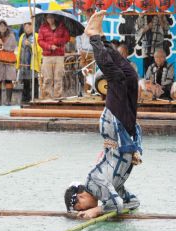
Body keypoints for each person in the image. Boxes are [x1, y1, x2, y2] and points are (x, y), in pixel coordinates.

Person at [64, 11, 142, 219]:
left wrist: (95, 211)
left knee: (116, 78)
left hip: (114, 128)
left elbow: (115, 204)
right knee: (131, 77)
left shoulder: (94, 182)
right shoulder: (110, 188)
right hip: (124, 135)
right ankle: (101, 38)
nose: (88, 207)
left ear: (80, 197)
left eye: (82, 207)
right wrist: (101, 207)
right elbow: (132, 203)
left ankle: (93, 37)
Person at [38, 14, 69, 99]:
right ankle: (47, 97)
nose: (50, 19)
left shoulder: (62, 27)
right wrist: (49, 46)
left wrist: (56, 41)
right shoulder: (43, 28)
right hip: (47, 56)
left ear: (55, 17)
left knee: (58, 77)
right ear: (46, 18)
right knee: (47, 77)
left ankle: (57, 96)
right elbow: (40, 41)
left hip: (59, 55)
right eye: (48, 17)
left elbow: (66, 38)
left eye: (51, 17)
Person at [135, 6, 170, 75]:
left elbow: (166, 30)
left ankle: (158, 85)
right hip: (146, 50)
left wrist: (160, 18)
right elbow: (137, 32)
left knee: (158, 71)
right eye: (149, 4)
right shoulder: (142, 17)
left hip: (157, 50)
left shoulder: (161, 15)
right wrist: (147, 27)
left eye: (153, 4)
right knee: (147, 72)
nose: (151, 7)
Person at [0, 20, 17, 106]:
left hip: (8, 60)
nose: (3, 28)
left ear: (6, 27)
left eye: (4, 26)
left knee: (9, 79)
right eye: (1, 26)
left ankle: (8, 100)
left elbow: (13, 47)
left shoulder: (11, 36)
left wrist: (4, 46)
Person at [16, 22, 42, 103]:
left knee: (34, 81)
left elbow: (39, 50)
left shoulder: (36, 36)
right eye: (25, 26)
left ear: (32, 27)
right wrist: (18, 63)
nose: (27, 28)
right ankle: (25, 98)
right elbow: (20, 49)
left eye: (29, 26)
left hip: (32, 63)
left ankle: (35, 97)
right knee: (25, 82)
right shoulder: (22, 37)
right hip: (23, 63)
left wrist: (30, 45)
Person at [76, 8, 96, 94]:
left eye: (91, 11)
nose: (89, 13)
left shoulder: (96, 26)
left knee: (91, 72)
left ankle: (91, 90)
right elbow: (78, 38)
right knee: (84, 72)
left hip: (93, 52)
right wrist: (79, 50)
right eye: (88, 11)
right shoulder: (82, 25)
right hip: (83, 52)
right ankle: (85, 91)